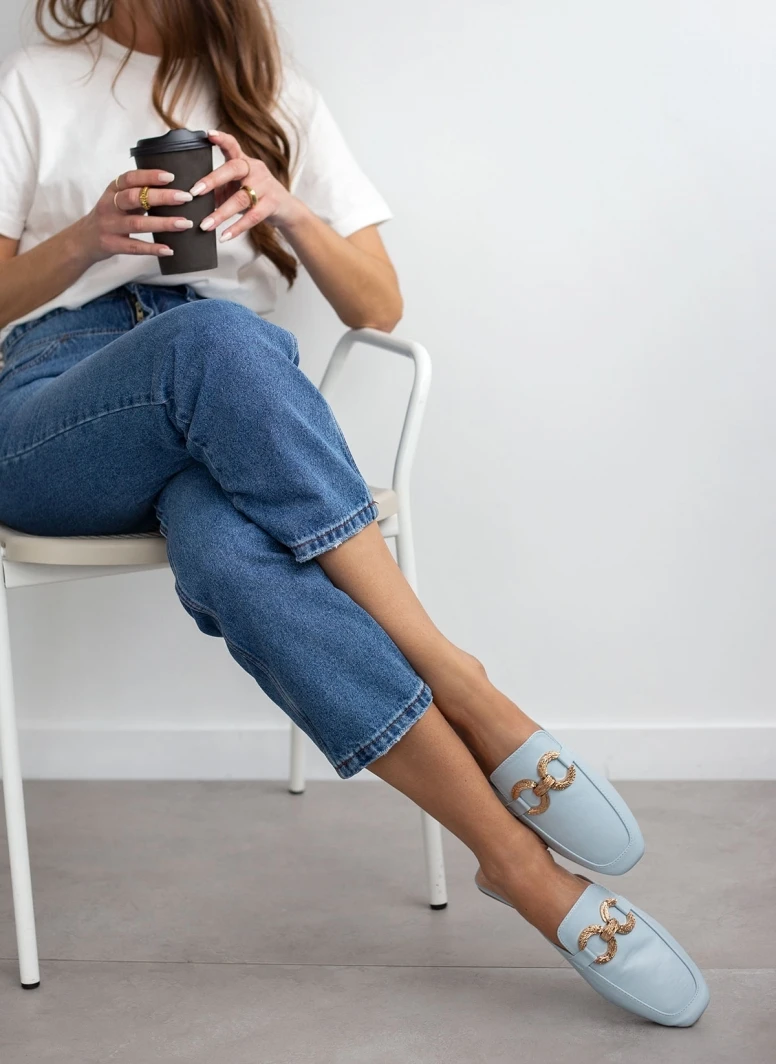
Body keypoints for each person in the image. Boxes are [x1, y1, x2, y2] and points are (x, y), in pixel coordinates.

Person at [0, 0, 708, 1026]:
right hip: (56, 405)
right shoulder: (31, 79)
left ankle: (518, 866)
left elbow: (378, 303)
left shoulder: (273, 96)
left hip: (229, 410)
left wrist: (284, 207)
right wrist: (85, 239)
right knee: (215, 341)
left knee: (234, 550)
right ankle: (456, 677)